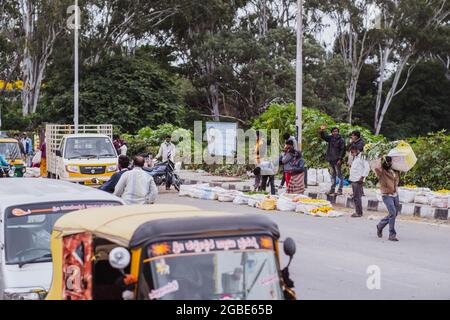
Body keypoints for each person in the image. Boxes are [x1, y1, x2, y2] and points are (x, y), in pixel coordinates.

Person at [375, 156, 401, 242]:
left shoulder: (396, 171)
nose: (389, 163)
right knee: (393, 213)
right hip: (386, 195)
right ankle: (392, 234)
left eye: (390, 162)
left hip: (395, 194)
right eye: (388, 162)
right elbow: (376, 167)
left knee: (394, 213)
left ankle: (380, 225)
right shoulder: (382, 172)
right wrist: (379, 158)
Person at [319, 125, 345, 195]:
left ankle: (340, 190)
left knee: (339, 175)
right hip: (331, 159)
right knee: (333, 175)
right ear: (332, 132)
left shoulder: (341, 140)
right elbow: (324, 137)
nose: (335, 133)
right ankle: (332, 189)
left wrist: (340, 159)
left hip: (337, 160)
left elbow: (343, 150)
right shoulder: (330, 138)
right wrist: (322, 130)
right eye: (333, 131)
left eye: (336, 131)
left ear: (338, 132)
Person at [349, 146, 370, 218]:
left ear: (357, 150)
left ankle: (359, 212)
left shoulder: (363, 156)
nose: (352, 154)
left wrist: (362, 177)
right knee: (356, 196)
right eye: (351, 152)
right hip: (354, 179)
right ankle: (358, 211)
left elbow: (367, 167)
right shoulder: (356, 157)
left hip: (358, 179)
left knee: (357, 197)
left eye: (352, 152)